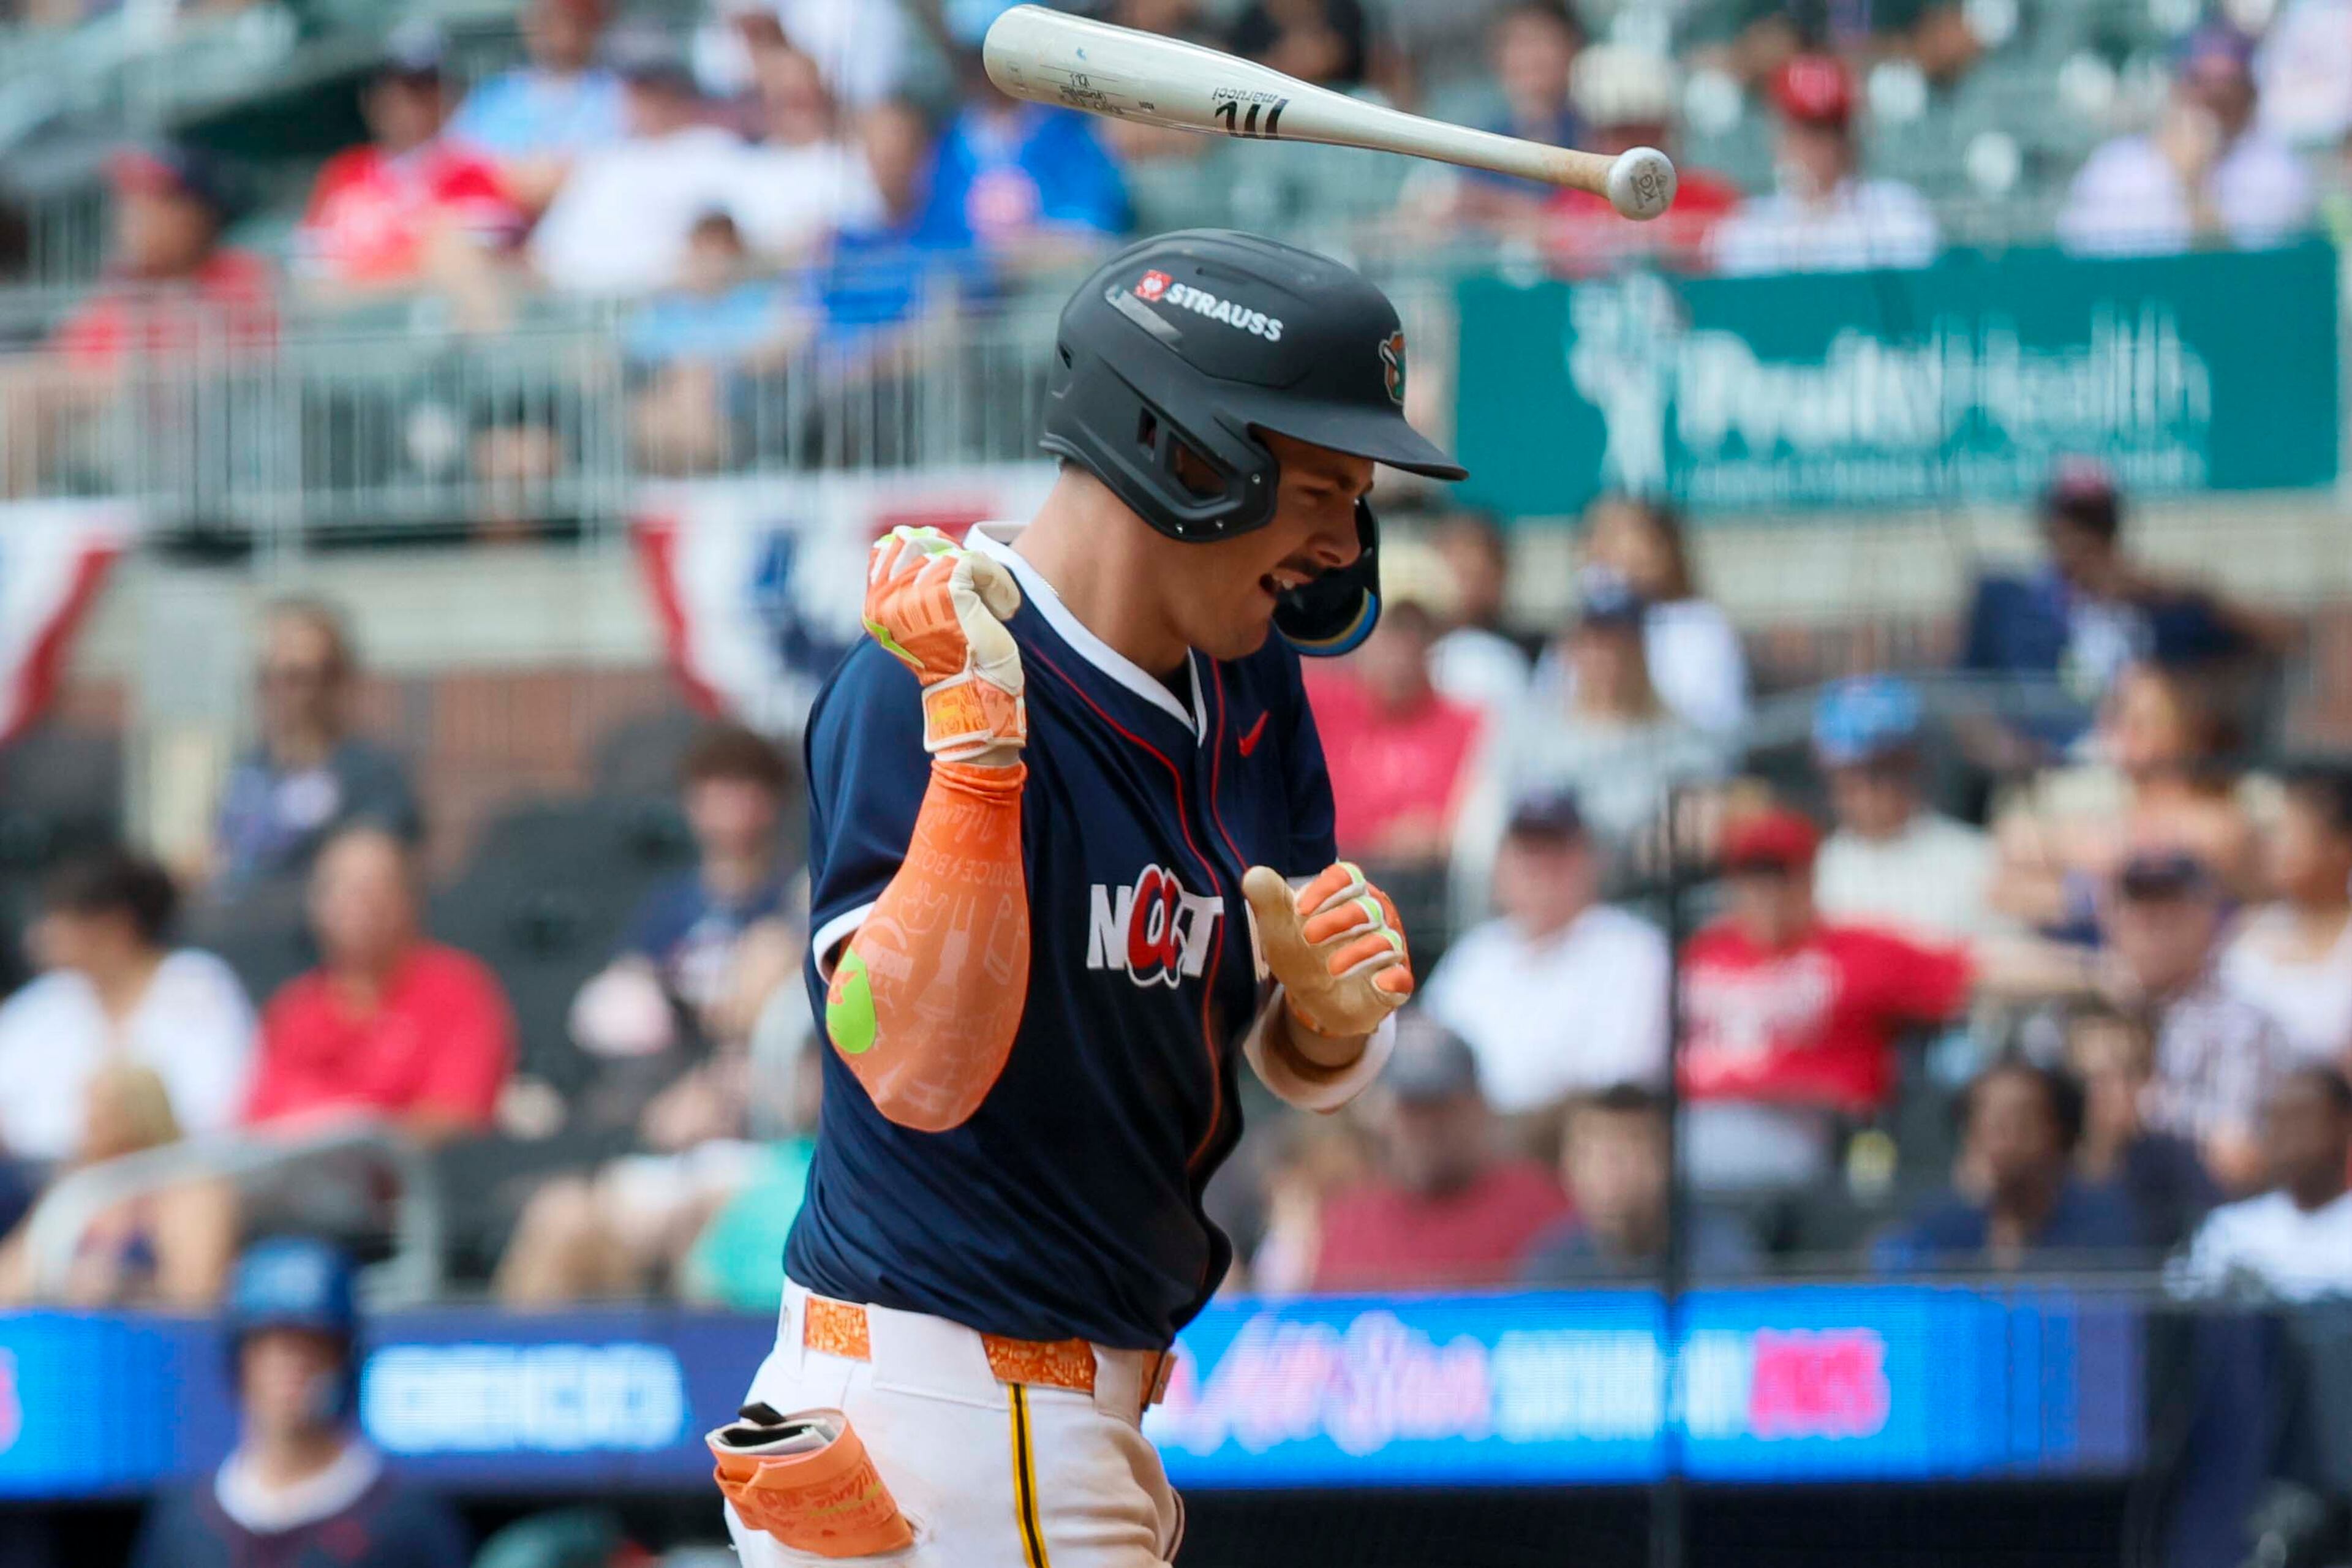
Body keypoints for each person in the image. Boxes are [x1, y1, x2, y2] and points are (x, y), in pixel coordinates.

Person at [717, 230, 1455, 1568]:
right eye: (1319, 487)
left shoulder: (1248, 682)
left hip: (1060, 1419)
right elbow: (910, 1065)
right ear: (1183, 450)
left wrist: (1333, 1019)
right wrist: (979, 760)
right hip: (952, 1409)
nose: (1346, 540)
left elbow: (1276, 1045)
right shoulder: (926, 671)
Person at [1681, 806, 1974, 1192]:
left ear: (1811, 879)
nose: (1768, 892)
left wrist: (2080, 970)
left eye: (1782, 875)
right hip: (1695, 1126)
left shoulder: (1854, 950)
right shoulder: (1697, 954)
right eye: (1754, 877)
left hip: (1813, 1134)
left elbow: (1976, 976)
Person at [129, 1238, 470, 1568]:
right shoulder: (188, 1522)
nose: (291, 1371)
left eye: (313, 1349)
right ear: (240, 1360)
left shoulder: (407, 1521)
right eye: (271, 1349)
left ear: (344, 1362)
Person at [1455, 567, 1727, 912]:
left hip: (1638, 907)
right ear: (1572, 646)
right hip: (1535, 907)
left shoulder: (1678, 735)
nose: (1606, 658)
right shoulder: (1530, 728)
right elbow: (1487, 824)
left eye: (1619, 644)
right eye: (1595, 641)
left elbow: (1703, 817)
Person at [1961, 462, 2281, 752]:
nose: (2083, 540)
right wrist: (2004, 750)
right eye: (2071, 524)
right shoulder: (2009, 603)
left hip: (2142, 771)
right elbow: (1963, 694)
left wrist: (2155, 589)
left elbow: (2275, 639)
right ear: (2049, 529)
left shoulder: (2156, 609)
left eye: (2097, 525)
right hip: (2049, 769)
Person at [244, 827, 514, 1147]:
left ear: (409, 899)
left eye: (374, 885)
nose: (357, 901)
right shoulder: (293, 1008)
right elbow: (260, 1127)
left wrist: (352, 1140)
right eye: (339, 886)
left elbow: (457, 1116)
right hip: (301, 1185)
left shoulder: (457, 989)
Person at [1421, 791, 1670, 1116]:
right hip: (1472, 1138)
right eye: (1527, 852)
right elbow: (1427, 1058)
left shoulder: (1635, 950)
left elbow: (1618, 1086)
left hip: (1574, 1139)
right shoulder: (1474, 955)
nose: (1540, 868)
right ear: (1501, 866)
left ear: (1591, 861)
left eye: (1556, 851)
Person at [0, 851, 252, 1165]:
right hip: (44, 1181)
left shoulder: (196, 984)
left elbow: (216, 1107)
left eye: (61, 920)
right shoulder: (45, 1002)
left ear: (115, 926)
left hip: (174, 1175)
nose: (41, 935)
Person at [1310, 1015, 1572, 1291]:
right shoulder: (1351, 1222)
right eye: (1412, 1110)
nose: (1426, 1128)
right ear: (1386, 1117)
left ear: (1478, 1108)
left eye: (1441, 1109)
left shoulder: (1540, 1207)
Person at [293, 24, 521, 307]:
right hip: (352, 331)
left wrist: (360, 281)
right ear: (370, 100)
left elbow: (468, 272)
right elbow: (311, 282)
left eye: (422, 90)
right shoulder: (343, 172)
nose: (406, 104)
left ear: (446, 96)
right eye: (393, 90)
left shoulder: (472, 170)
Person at [2105, 849, 2291, 1194]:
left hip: (2196, 1202)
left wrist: (2146, 1108)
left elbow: (2240, 1157)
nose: (2153, 930)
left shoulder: (2243, 1024)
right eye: (2140, 915)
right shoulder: (2094, 1006)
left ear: (2207, 921)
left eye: (2171, 914)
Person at [209, 599, 420, 895]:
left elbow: (368, 891)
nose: (279, 690)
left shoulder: (371, 776)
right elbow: (218, 860)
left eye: (297, 676)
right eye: (267, 675)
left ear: (337, 681)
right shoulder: (249, 768)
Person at [1299, 557, 1485, 885]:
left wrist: (1442, 837)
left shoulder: (1467, 723)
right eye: (1391, 628)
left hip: (1421, 898)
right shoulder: (1317, 702)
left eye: (1417, 629)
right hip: (1321, 886)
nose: (1403, 646)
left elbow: (1466, 832)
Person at [2058, 22, 2314, 258]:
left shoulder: (2277, 172)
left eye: (2228, 85)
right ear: (2176, 86)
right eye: (2200, 82)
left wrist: (2193, 187)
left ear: (2249, 94)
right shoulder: (2116, 167)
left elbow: (2244, 279)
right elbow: (2081, 263)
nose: (2213, 98)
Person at [530, 28, 752, 297]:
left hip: (675, 309)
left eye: (653, 85)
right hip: (586, 311)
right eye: (634, 86)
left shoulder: (716, 150)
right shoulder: (605, 160)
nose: (644, 98)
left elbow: (736, 248)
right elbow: (545, 256)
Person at [0, 1061, 239, 1308]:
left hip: (155, 1337)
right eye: (88, 1108)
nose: (89, 1121)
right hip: (74, 1332)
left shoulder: (189, 1186)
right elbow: (11, 1275)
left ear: (140, 1113)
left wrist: (118, 1283)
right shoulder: (75, 1188)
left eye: (104, 1110)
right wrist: (64, 1279)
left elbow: (195, 1292)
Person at [1874, 1059, 2141, 1272]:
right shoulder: (1942, 1229)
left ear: (2058, 1130)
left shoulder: (2101, 1228)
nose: (2001, 1138)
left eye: (2020, 1121)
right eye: (1985, 1120)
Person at [48, 143, 274, 373]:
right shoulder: (119, 291)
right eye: (129, 200)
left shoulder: (240, 281)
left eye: (153, 201)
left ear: (198, 215)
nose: (133, 217)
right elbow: (64, 372)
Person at [1708, 52, 1940, 276]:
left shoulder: (1897, 210)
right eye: (1802, 130)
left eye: (1827, 130)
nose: (1815, 147)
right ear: (1779, 135)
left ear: (1849, 136)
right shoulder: (1750, 225)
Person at [1810, 676, 2000, 943]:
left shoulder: (1976, 860)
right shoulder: (1813, 874)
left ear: (1914, 765)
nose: (1870, 789)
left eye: (1885, 769)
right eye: (1854, 773)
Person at [1519, 1084, 1760, 1283]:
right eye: (1589, 1153)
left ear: (1667, 1160)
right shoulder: (1551, 1262)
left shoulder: (1720, 1252)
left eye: (1626, 1152)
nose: (1607, 1171)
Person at [918, 51, 1130, 270]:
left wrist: (1037, 244)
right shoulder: (952, 140)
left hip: (1051, 282)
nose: (989, 77)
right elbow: (936, 238)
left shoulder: (1064, 132)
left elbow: (1096, 220)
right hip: (978, 288)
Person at [1544, 45, 1743, 274]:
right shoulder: (1571, 206)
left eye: (1645, 129)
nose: (1632, 144)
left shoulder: (1711, 198)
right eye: (1619, 130)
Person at [625, 212, 792, 474]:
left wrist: (713, 372)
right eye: (704, 249)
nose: (712, 260)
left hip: (731, 409)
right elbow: (634, 353)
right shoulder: (666, 307)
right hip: (670, 404)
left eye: (721, 250)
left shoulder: (757, 300)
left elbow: (778, 346)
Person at [1573, 494, 1749, 737]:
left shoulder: (1701, 626)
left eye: (1630, 537)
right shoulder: (1581, 630)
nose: (1618, 551)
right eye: (1605, 537)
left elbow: (1719, 726)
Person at [2177, 1066, 2352, 1300]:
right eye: (2276, 1122)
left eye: (2300, 1120)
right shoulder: (2228, 1231)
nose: (2287, 1138)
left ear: (2344, 1125)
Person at [2223, 761, 2352, 1071]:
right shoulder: (2243, 930)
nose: (2273, 848)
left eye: (2288, 833)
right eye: (2272, 834)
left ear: (2341, 846)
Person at [447, 0, 627, 214]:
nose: (565, 31)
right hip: (495, 226)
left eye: (578, 20)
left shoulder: (621, 96)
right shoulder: (493, 98)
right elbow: (453, 166)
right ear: (530, 22)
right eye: (551, 18)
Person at [2065, 1001, 2217, 1252]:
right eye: (2098, 1078)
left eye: (2133, 1073)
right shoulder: (2047, 1174)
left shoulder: (2180, 1169)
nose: (2120, 1091)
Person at [728, 41, 882, 263]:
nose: (799, 104)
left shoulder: (857, 159)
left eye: (805, 92)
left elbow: (875, 226)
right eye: (787, 95)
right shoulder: (747, 169)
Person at [1425, 508, 1534, 717]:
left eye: (1475, 571)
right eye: (1453, 557)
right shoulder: (1404, 651)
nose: (1464, 570)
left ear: (1501, 573)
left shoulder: (1532, 655)